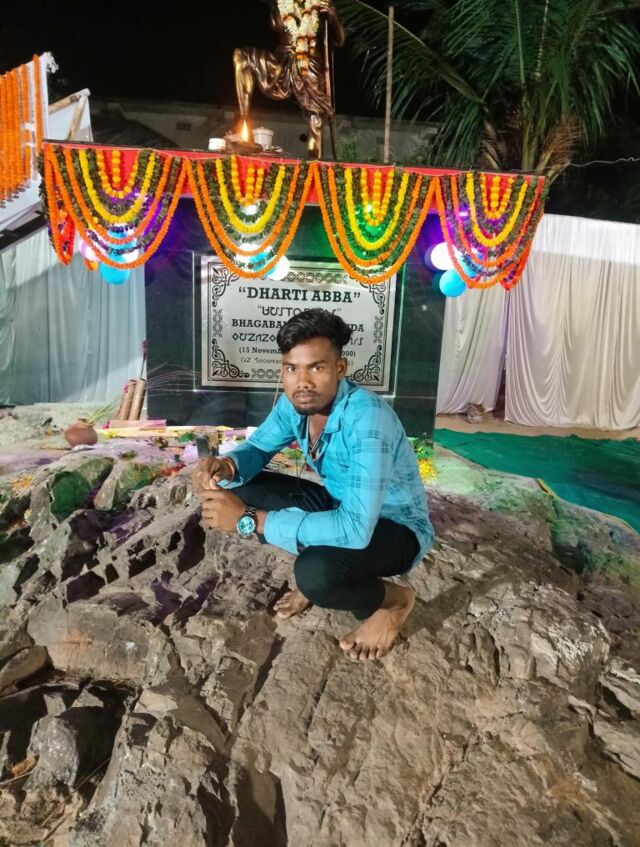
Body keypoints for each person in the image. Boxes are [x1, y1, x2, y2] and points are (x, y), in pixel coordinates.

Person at [193, 309, 433, 660]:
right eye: (292, 369)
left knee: (316, 576)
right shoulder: (295, 404)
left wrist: (250, 519)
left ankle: (395, 602)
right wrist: (227, 466)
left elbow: (356, 530)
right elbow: (258, 447)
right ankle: (316, 549)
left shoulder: (368, 420)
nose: (302, 382)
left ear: (340, 368)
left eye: (316, 368)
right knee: (238, 489)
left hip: (394, 528)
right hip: (340, 505)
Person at [233, 0, 345, 158]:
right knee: (241, 55)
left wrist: (333, 16)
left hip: (309, 58)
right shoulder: (278, 3)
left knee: (315, 114)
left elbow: (340, 40)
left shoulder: (319, 4)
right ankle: (243, 129)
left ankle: (314, 163)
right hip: (281, 59)